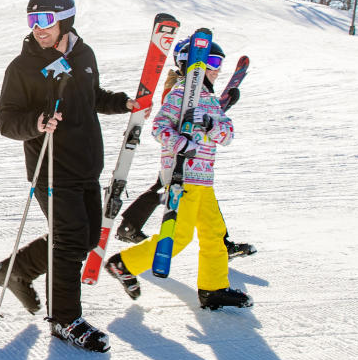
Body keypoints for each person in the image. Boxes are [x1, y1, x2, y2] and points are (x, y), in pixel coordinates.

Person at [0, 0, 136, 352]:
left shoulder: (84, 54)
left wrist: (122, 103)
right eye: (32, 20)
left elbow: (93, 97)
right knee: (70, 240)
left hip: (86, 164)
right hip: (51, 168)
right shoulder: (22, 66)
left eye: (46, 20)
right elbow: (6, 120)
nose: (39, 28)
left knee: (84, 238)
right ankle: (64, 320)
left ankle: (17, 270)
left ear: (65, 20)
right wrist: (37, 123)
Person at [105, 34, 253, 311]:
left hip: (205, 180)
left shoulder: (209, 100)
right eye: (210, 61)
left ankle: (213, 288)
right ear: (190, 64)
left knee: (214, 233)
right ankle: (124, 264)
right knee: (180, 236)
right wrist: (181, 142)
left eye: (219, 62)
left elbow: (228, 134)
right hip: (182, 177)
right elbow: (159, 127)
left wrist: (210, 123)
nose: (216, 68)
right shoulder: (180, 94)